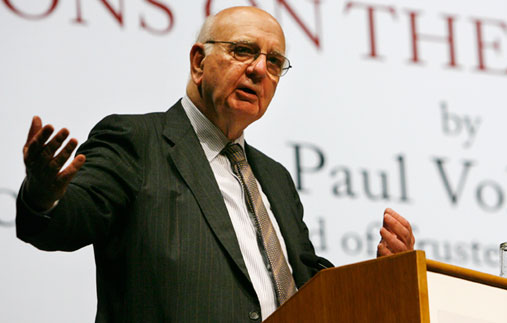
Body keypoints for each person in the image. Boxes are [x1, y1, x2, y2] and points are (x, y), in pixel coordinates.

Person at [17, 6, 415, 322]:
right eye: (243, 51)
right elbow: (66, 223)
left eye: (274, 62)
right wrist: (45, 194)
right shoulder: (137, 141)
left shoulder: (275, 178)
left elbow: (306, 290)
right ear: (198, 63)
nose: (259, 69)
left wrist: (376, 280)